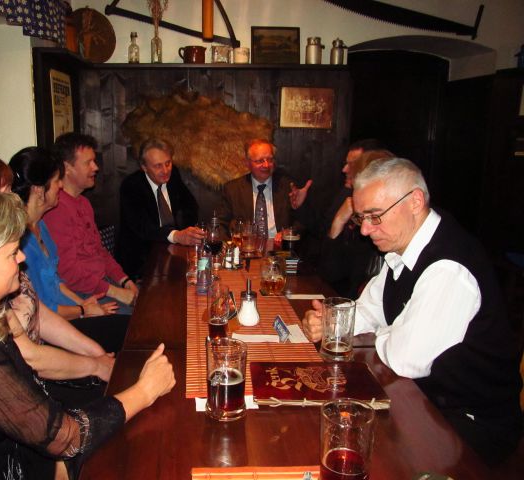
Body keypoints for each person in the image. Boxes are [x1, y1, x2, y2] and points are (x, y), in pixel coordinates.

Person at [0, 186, 175, 479]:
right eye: (12, 253)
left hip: (9, 449)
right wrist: (145, 390)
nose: (22, 257)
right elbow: (66, 438)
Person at [302, 157, 522, 465]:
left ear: (415, 202)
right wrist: (331, 322)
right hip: (421, 398)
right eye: (361, 218)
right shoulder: (402, 250)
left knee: (349, 449)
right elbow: (367, 311)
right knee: (324, 426)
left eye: (375, 216)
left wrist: (384, 332)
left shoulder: (449, 267)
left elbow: (405, 359)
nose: (365, 230)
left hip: (470, 422)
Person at [0, 155, 118, 394]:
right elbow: (29, 357)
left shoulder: (8, 247)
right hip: (19, 387)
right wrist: (95, 363)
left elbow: (38, 311)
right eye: (6, 193)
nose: (15, 199)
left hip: (36, 369)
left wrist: (95, 353)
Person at [44, 133, 139, 310]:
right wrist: (115, 292)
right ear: (67, 168)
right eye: (88, 162)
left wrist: (124, 280)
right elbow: (67, 272)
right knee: (140, 320)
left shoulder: (83, 203)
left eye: (94, 161)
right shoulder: (56, 210)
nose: (96, 167)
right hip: (82, 294)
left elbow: (99, 251)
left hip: (102, 284)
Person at [117, 138, 203, 277]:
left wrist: (186, 232)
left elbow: (190, 205)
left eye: (168, 163)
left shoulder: (173, 174)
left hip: (172, 251)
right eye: (158, 166)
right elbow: (143, 227)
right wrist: (177, 236)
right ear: (144, 167)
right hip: (141, 259)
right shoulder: (131, 186)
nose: (165, 170)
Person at [318, 149, 395, 297]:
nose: (345, 170)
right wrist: (338, 221)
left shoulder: (384, 226)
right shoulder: (356, 216)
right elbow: (330, 273)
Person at [217, 138, 306, 239]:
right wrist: (229, 246)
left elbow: (304, 223)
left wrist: (290, 231)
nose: (266, 165)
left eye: (270, 160)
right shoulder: (233, 189)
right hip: (246, 245)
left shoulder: (288, 186)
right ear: (247, 163)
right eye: (260, 161)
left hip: (280, 246)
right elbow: (220, 224)